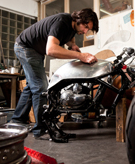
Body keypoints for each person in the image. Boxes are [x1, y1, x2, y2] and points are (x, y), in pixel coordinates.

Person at [11, 8, 99, 139]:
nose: (85, 31)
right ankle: (41, 128)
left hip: (35, 50)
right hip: (26, 47)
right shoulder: (62, 22)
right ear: (78, 20)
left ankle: (17, 121)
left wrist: (72, 45)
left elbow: (69, 37)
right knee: (40, 88)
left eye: (88, 29)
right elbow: (51, 49)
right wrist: (80, 55)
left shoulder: (72, 28)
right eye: (85, 26)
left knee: (32, 86)